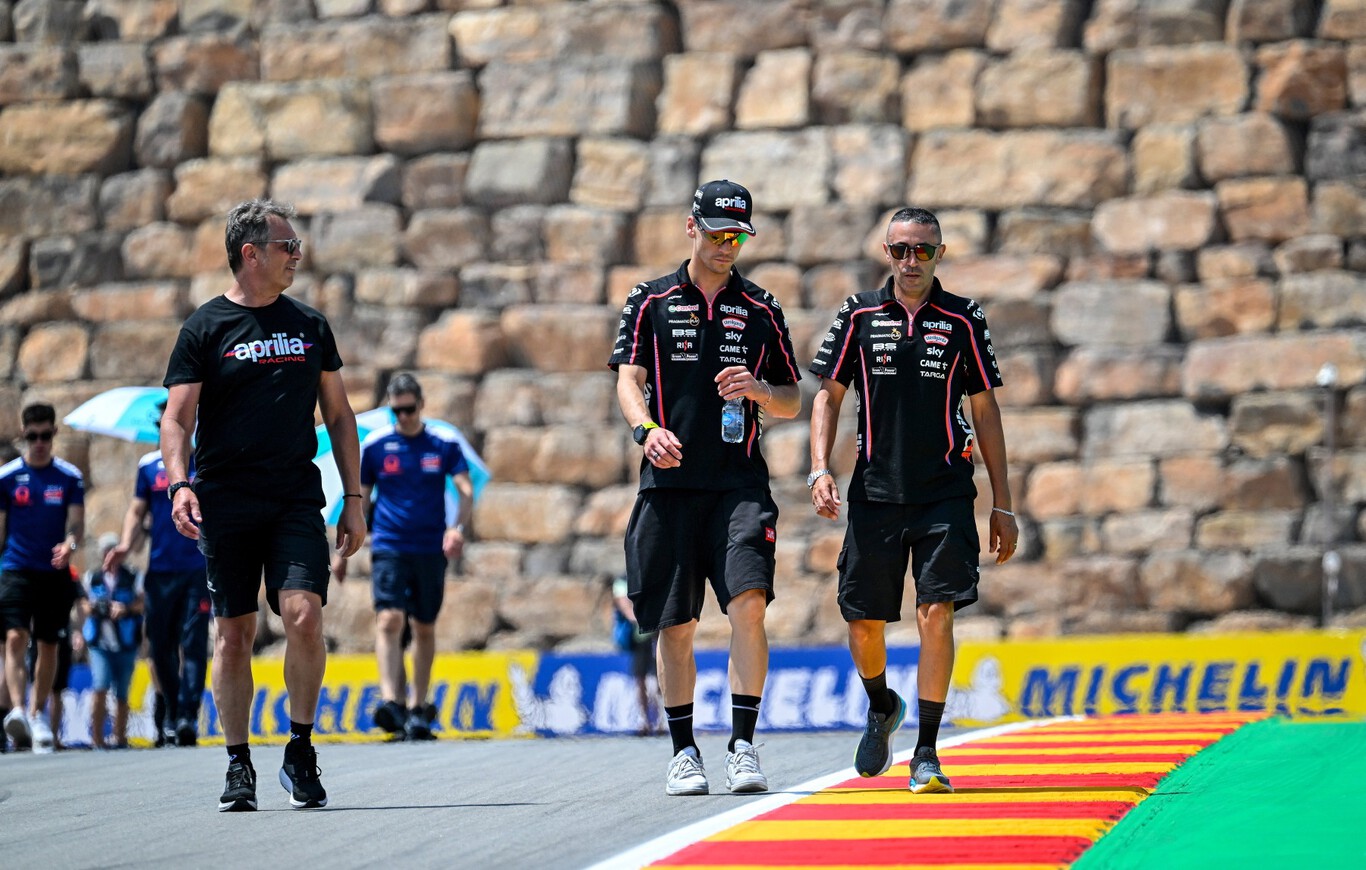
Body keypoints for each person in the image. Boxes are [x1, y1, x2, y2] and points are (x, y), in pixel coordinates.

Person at [161, 198, 366, 812]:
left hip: (295, 498)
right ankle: (238, 762)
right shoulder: (204, 328)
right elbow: (176, 419)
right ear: (250, 254)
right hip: (225, 501)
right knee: (234, 634)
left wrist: (354, 498)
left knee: (303, 615)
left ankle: (299, 749)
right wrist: (179, 484)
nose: (297, 255)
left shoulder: (310, 325)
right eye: (287, 246)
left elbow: (340, 415)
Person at [808, 206, 1019, 794]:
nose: (911, 260)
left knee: (936, 612)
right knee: (863, 623)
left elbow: (985, 410)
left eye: (922, 250)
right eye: (901, 249)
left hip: (944, 493)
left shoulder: (963, 318)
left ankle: (927, 752)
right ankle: (882, 705)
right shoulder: (858, 313)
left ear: (939, 254)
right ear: (886, 252)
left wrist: (1003, 504)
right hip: (874, 494)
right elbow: (827, 396)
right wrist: (819, 469)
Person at [609, 179, 803, 796]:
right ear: (691, 227)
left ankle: (743, 745)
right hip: (669, 485)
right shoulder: (650, 300)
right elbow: (628, 380)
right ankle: (684, 751)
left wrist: (760, 391)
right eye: (717, 234)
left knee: (749, 602)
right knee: (676, 625)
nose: (727, 246)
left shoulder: (762, 308)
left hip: (739, 485)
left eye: (738, 237)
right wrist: (646, 431)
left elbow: (793, 398)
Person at [335, 372, 473, 741]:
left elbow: (465, 489)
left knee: (424, 625)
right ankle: (391, 700)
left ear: (421, 405)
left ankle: (417, 706)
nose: (404, 417)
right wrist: (343, 552)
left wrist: (457, 528)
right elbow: (359, 500)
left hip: (429, 547)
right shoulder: (377, 446)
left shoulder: (442, 444)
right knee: (389, 619)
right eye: (397, 411)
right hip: (389, 545)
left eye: (410, 409)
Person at [104, 399, 211, 748]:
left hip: (198, 569)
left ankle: (187, 716)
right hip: (160, 571)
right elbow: (137, 512)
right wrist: (125, 545)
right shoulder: (149, 467)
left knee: (193, 643)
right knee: (160, 645)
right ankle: (173, 708)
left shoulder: (206, 462)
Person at [0, 403, 85, 755]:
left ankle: (37, 715)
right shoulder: (6, 478)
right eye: (33, 436)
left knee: (48, 644)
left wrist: (69, 545)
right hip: (16, 568)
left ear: (53, 434)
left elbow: (76, 526)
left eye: (45, 436)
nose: (39, 443)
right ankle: (18, 710)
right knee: (15, 637)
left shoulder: (69, 477)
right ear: (24, 434)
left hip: (53, 572)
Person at [82, 533, 145, 750]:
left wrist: (125, 608)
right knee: (100, 686)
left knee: (122, 692)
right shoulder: (93, 577)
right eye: (106, 550)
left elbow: (142, 604)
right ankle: (97, 738)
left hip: (126, 642)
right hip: (100, 643)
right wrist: (97, 607)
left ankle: (120, 737)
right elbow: (83, 605)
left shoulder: (133, 576)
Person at [610, 574, 659, 736]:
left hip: (655, 634)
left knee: (657, 678)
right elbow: (625, 606)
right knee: (641, 679)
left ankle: (660, 720)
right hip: (640, 637)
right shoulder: (622, 581)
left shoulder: (650, 575)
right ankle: (644, 720)